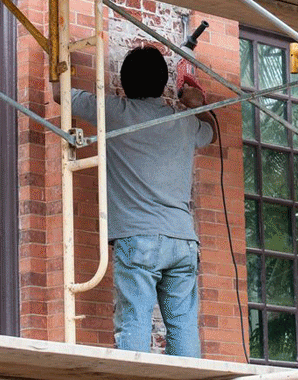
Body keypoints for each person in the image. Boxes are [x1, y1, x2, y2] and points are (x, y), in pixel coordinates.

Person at [65, 44, 215, 356]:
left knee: (135, 321)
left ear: (126, 81)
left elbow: (60, 94)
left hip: (138, 239)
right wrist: (192, 104)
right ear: (163, 84)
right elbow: (211, 133)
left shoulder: (115, 113)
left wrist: (60, 53)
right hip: (182, 240)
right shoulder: (185, 122)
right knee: (183, 326)